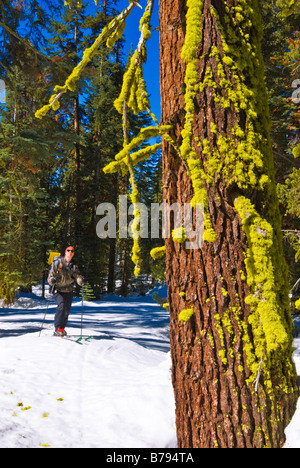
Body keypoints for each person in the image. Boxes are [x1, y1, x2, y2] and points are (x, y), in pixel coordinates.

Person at [48, 246, 84, 336]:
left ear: (73, 253)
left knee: (67, 310)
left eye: (72, 251)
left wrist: (81, 281)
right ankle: (57, 329)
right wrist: (52, 280)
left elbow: (77, 276)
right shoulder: (58, 263)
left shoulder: (73, 265)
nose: (70, 252)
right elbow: (50, 277)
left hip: (69, 290)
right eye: (68, 250)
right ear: (65, 252)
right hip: (58, 289)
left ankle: (61, 328)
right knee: (62, 306)